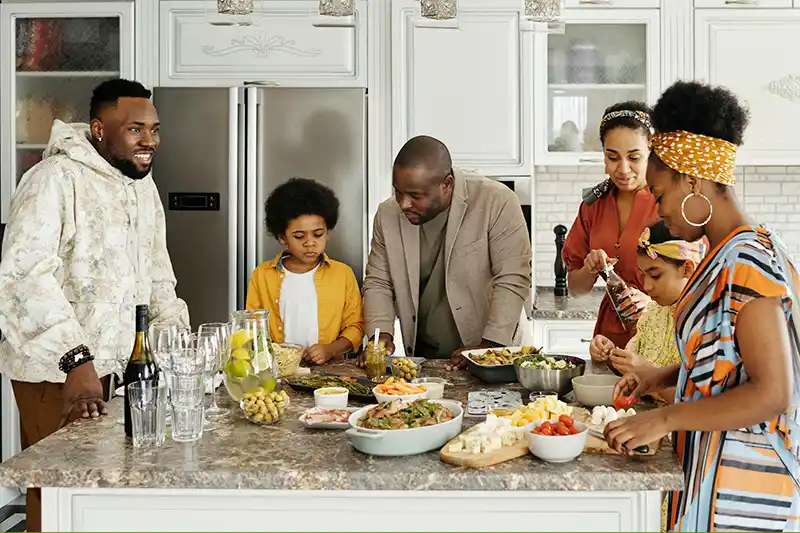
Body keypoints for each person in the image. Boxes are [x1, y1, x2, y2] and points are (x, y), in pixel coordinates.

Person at [605, 80, 800, 532]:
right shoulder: (731, 251)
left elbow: (773, 391)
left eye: (659, 192)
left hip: (747, 490)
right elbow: (730, 357)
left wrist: (663, 419)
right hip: (717, 468)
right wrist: (665, 375)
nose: (656, 209)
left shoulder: (748, 261)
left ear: (692, 181)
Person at [0, 79, 190, 531]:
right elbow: (21, 277)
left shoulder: (141, 187)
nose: (150, 142)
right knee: (62, 499)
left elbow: (157, 274)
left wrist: (177, 348)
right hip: (58, 374)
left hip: (124, 370)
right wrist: (76, 360)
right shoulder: (52, 180)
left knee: (115, 501)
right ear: (100, 129)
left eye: (155, 130)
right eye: (136, 130)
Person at [362, 135, 532, 366]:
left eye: (415, 196)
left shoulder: (497, 201)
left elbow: (513, 278)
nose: (403, 204)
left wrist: (489, 349)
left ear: (447, 184)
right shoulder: (387, 215)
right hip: (428, 358)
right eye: (398, 192)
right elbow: (379, 282)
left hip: (497, 354)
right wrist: (379, 337)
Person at [562, 102, 660, 352]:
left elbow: (697, 285)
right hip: (609, 340)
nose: (623, 169)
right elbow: (575, 289)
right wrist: (589, 269)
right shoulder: (593, 206)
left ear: (652, 152)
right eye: (612, 157)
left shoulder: (669, 204)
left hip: (662, 338)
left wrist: (652, 304)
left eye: (634, 158)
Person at [246, 177, 364, 365]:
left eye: (318, 234)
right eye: (299, 236)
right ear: (282, 237)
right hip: (278, 371)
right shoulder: (262, 275)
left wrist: (330, 349)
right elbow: (252, 329)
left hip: (330, 372)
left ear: (328, 231)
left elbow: (355, 327)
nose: (310, 243)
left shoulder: (343, 275)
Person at [590, 221, 704, 406]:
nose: (647, 286)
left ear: (687, 269)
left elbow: (701, 407)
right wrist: (610, 353)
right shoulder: (653, 313)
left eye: (656, 275)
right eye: (643, 275)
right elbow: (632, 369)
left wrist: (650, 374)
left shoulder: (704, 321)